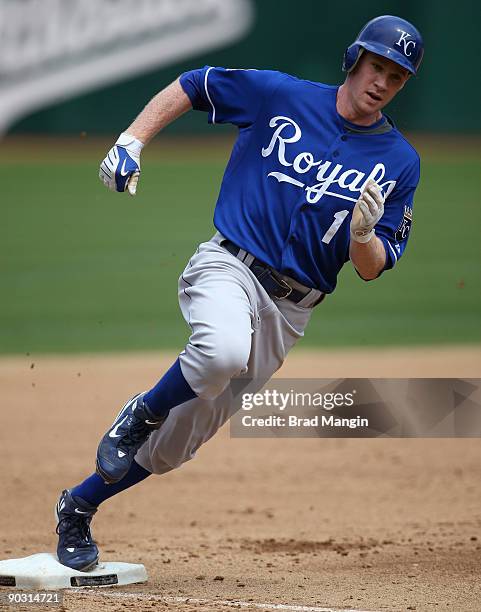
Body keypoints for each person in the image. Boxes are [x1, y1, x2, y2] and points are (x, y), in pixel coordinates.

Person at [55, 15, 424, 571]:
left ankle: (77, 506)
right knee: (222, 350)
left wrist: (364, 236)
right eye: (377, 66)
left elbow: (373, 268)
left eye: (396, 77)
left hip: (290, 311)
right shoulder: (282, 95)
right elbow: (196, 84)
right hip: (229, 264)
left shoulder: (400, 162)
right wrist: (131, 140)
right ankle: (138, 415)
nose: (381, 82)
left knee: (177, 445)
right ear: (354, 59)